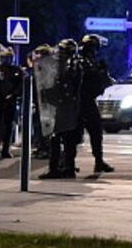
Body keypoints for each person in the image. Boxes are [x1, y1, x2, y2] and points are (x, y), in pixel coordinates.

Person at [39, 38, 82, 180]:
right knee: (66, 140)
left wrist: (48, 93)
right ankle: (67, 167)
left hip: (64, 106)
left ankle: (56, 168)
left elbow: (63, 87)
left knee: (57, 139)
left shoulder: (70, 66)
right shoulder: (71, 65)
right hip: (67, 106)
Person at [78, 34, 115, 173]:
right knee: (73, 135)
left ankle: (98, 161)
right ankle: (67, 163)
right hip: (80, 101)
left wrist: (103, 74)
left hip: (88, 100)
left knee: (96, 132)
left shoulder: (92, 61)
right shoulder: (81, 61)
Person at [0, 46, 22, 159]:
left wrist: (13, 95)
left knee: (9, 126)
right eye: (6, 57)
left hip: (11, 102)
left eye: (10, 57)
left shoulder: (16, 70)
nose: (8, 60)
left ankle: (6, 149)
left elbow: (20, 86)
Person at [28, 44, 53, 159]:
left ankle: (46, 149)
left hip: (46, 103)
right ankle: (41, 147)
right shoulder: (40, 67)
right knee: (38, 125)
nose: (35, 56)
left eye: (38, 54)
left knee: (45, 127)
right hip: (39, 102)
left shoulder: (47, 68)